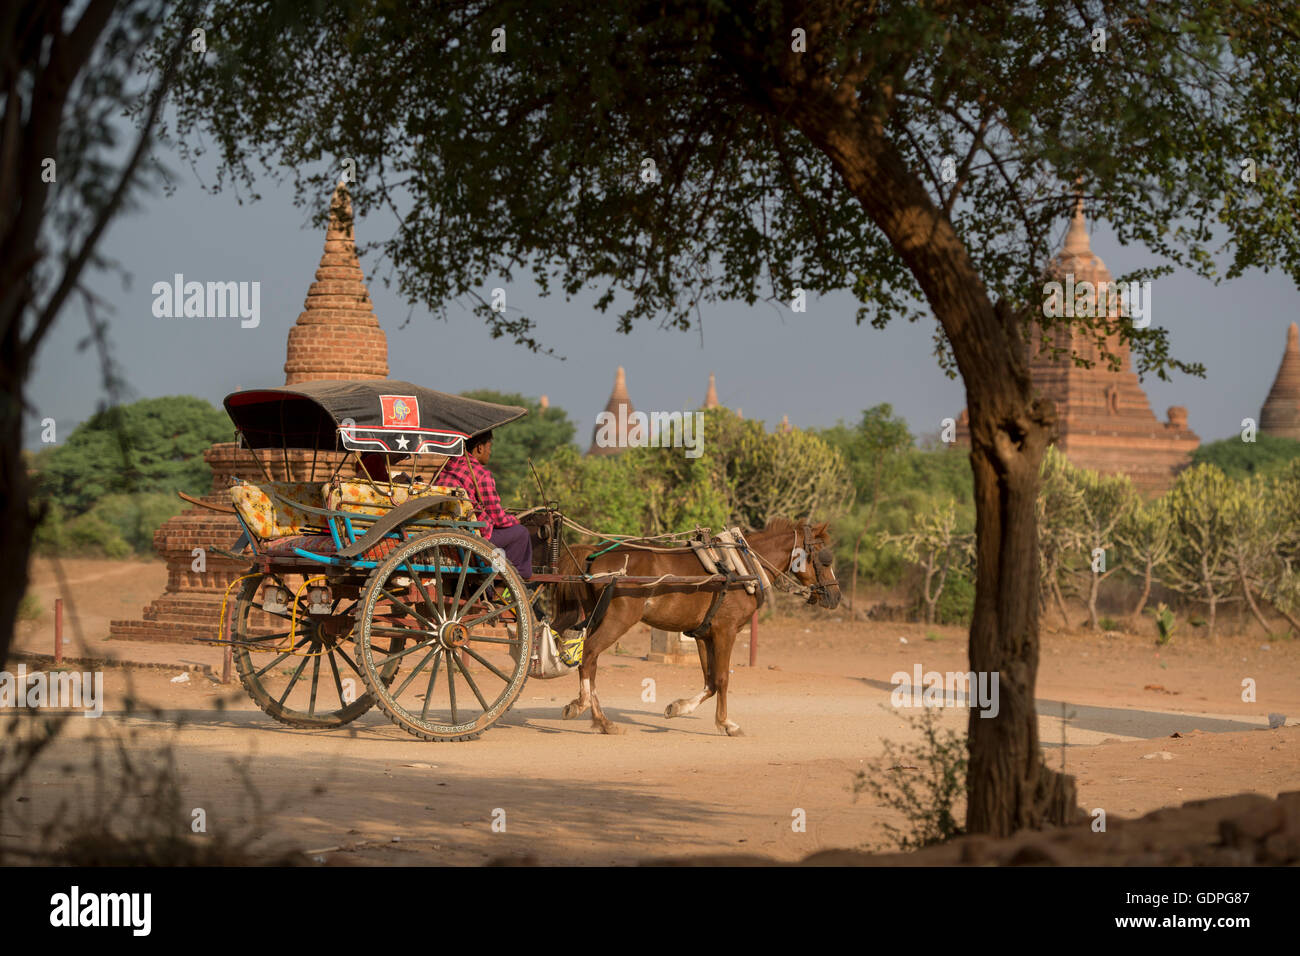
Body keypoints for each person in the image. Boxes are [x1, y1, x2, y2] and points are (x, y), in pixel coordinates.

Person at [437, 430, 533, 581]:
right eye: (490, 446)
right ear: (480, 448)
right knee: (521, 533)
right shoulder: (481, 475)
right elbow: (499, 519)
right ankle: (511, 581)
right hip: (471, 537)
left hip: (446, 530)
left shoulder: (447, 466)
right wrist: (515, 520)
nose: (490, 451)